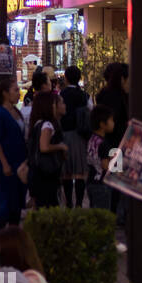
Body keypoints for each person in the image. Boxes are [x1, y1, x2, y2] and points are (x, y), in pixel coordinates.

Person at [0, 77, 29, 228]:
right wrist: (5, 164)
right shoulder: (0, 113)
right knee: (7, 204)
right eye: (15, 90)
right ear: (5, 93)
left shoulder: (16, 111)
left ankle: (13, 238)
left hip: (19, 162)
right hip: (5, 163)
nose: (18, 93)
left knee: (17, 204)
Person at [26, 92, 67, 210]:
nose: (64, 105)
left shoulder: (38, 124)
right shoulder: (47, 125)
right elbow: (44, 147)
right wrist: (61, 146)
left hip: (39, 173)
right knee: (48, 207)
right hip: (46, 174)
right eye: (59, 103)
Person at [58, 66, 90, 209]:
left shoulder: (61, 95)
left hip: (64, 135)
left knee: (66, 171)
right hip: (80, 136)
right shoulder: (84, 95)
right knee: (80, 172)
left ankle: (69, 203)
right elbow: (91, 111)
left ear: (66, 77)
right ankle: (78, 203)